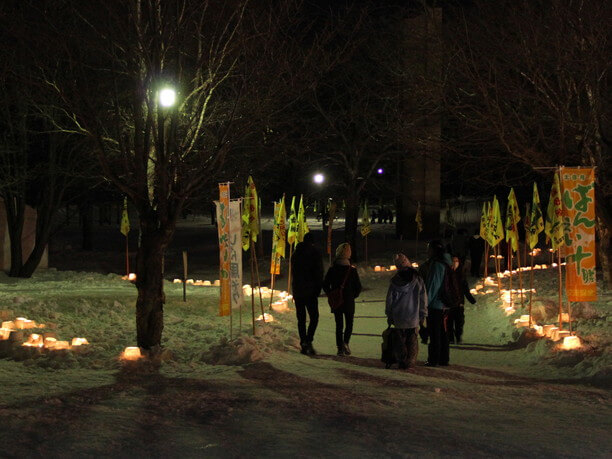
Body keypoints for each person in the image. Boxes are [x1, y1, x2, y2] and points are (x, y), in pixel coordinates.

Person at [385, 253, 428, 369]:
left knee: (399, 340)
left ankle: (401, 359)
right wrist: (423, 313)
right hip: (413, 316)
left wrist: (389, 314)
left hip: (399, 316)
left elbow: (390, 300)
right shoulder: (417, 279)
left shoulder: (394, 281)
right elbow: (423, 297)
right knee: (412, 339)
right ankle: (410, 361)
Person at [323, 242, 362, 356]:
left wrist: (330, 293)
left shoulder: (332, 269)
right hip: (349, 301)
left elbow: (325, 284)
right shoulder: (352, 271)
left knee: (339, 324)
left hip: (337, 301)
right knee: (349, 323)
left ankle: (340, 347)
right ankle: (346, 343)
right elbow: (358, 287)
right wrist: (352, 295)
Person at [291, 232, 324, 355]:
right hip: (310, 291)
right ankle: (308, 340)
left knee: (301, 319)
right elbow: (319, 273)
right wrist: (318, 288)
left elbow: (294, 272)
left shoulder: (296, 253)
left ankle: (303, 341)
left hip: (299, 290)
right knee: (314, 317)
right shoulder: (315, 254)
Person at [419, 240, 451, 367]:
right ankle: (443, 359)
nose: (427, 251)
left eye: (429, 249)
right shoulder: (445, 263)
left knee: (435, 333)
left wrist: (424, 304)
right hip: (443, 303)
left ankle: (434, 359)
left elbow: (432, 286)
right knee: (442, 333)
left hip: (436, 304)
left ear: (433, 250)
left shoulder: (437, 265)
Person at [447, 255, 476, 344]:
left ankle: (458, 336)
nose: (455, 263)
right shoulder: (446, 274)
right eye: (453, 261)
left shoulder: (461, 274)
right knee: (449, 321)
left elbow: (465, 289)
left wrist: (471, 299)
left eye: (456, 261)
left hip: (459, 302)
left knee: (459, 321)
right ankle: (450, 338)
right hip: (449, 302)